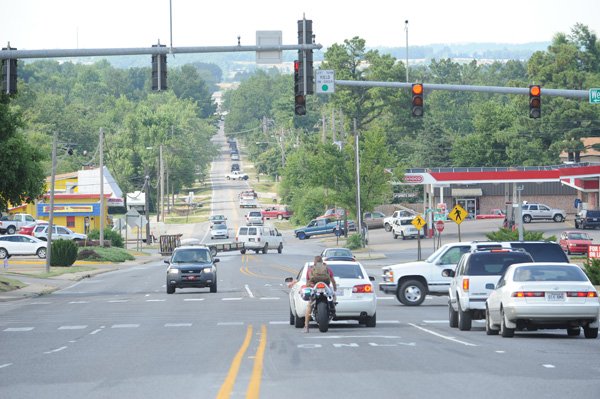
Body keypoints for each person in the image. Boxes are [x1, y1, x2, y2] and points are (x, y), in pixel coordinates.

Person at [304, 255, 337, 333]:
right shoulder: (327, 269)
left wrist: (308, 285)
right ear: (322, 262)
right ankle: (333, 309)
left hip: (314, 287)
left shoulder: (310, 270)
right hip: (326, 287)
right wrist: (335, 288)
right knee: (333, 296)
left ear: (314, 262)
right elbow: (333, 281)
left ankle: (306, 326)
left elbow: (307, 282)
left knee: (309, 305)